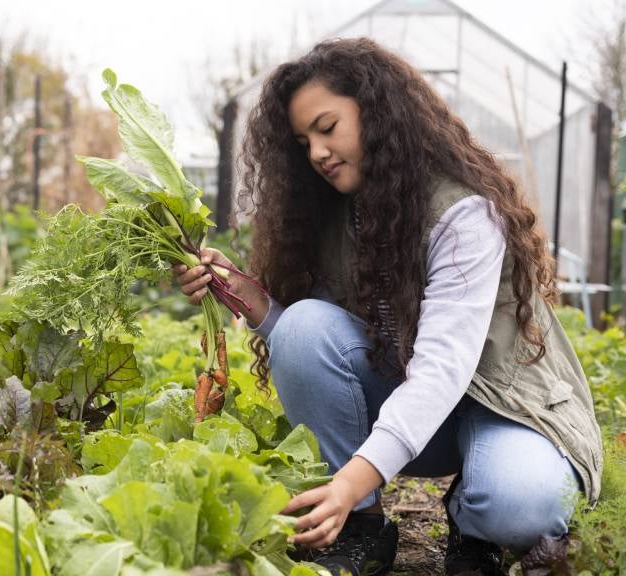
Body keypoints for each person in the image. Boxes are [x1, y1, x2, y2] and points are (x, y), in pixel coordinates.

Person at [173, 38, 603, 576]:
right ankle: (361, 527)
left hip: (506, 408)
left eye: (327, 128)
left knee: (520, 505)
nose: (317, 153)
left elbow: (443, 370)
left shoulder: (462, 213)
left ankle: (473, 525)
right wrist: (247, 297)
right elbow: (316, 344)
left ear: (376, 113)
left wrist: (346, 478)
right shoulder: (333, 214)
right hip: (426, 419)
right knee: (304, 323)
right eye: (304, 141)